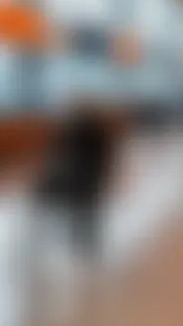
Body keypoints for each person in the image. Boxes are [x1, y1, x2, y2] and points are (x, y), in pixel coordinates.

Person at [32, 97, 118, 260]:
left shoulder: (84, 135)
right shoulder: (79, 134)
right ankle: (83, 244)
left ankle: (83, 243)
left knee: (81, 215)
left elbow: (60, 159)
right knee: (82, 216)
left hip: (81, 182)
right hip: (80, 182)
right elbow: (59, 158)